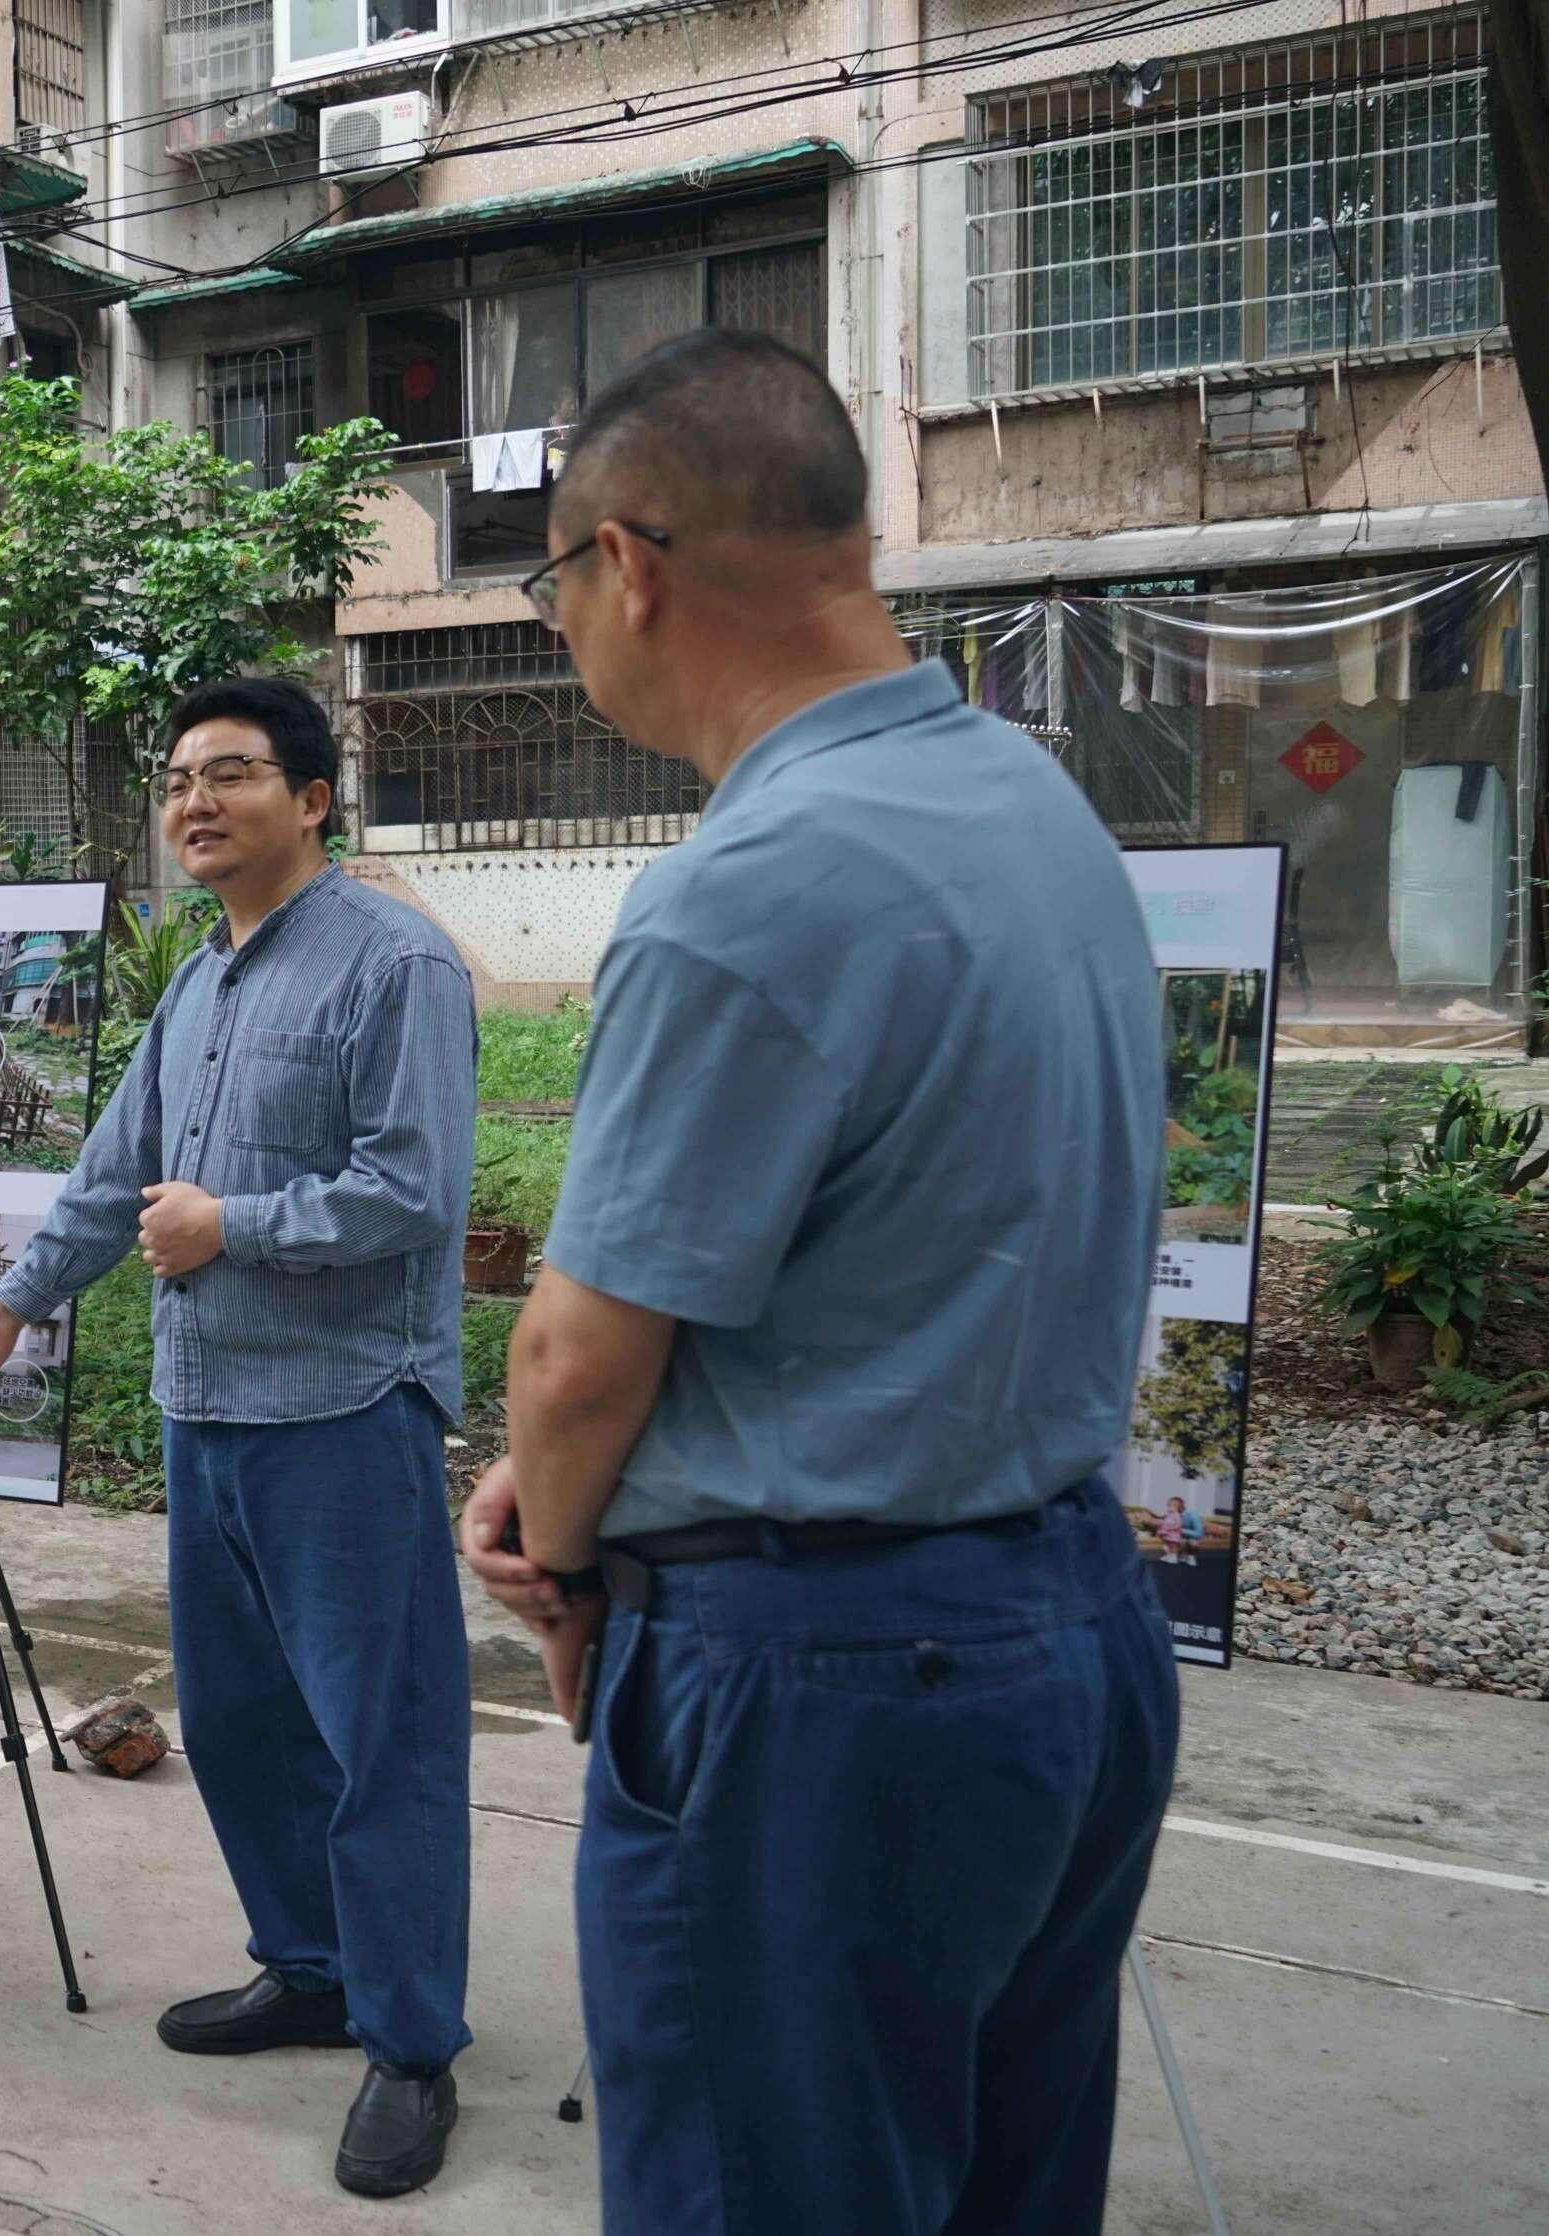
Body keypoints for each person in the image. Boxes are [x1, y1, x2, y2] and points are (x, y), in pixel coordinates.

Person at [458, 329, 1178, 2233]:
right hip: (1067, 1631)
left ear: (628, 562)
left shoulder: (749, 883)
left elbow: (579, 1355)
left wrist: (567, 1571)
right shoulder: (1039, 812)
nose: (560, 627)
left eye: (546, 584)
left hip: (826, 1685)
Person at [0, 676, 479, 2201]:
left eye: (230, 774)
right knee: (239, 1725)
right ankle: (309, 1969)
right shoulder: (201, 986)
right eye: (178, 779)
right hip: (206, 1414)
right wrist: (13, 1304)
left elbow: (417, 1191)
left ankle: (414, 2042)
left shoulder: (395, 965)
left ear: (311, 798)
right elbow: (115, 1175)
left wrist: (238, 1224)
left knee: (385, 1739)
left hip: (347, 1411)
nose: (194, 802)